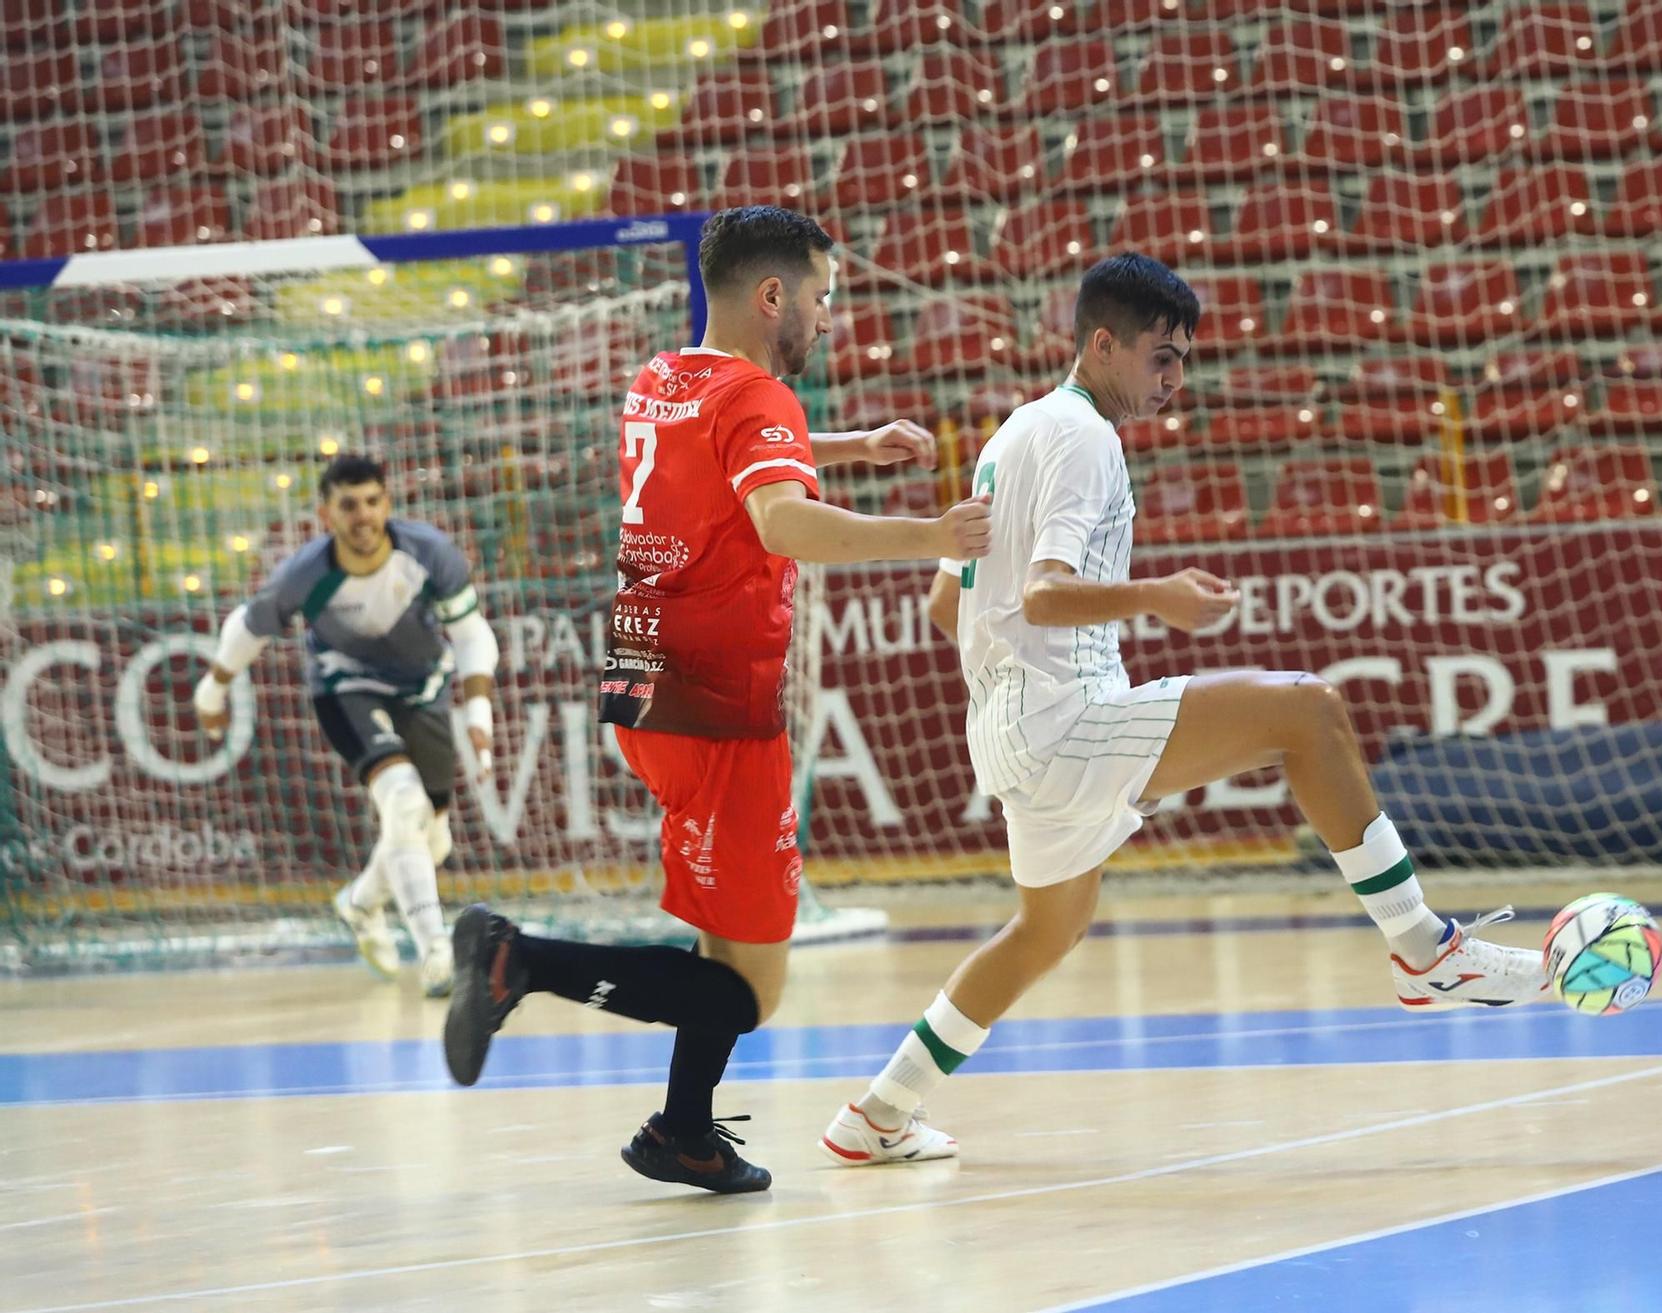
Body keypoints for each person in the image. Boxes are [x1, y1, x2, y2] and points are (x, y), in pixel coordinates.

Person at [819, 253, 1549, 1167]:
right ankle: (1425, 950)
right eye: (1161, 357)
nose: (1175, 379)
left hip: (1011, 731)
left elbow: (945, 605)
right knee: (1309, 712)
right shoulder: (1086, 439)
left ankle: (878, 1112)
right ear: (1101, 344)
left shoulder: (1013, 433)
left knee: (1046, 930)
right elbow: (1044, 596)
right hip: (1062, 719)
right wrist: (1152, 596)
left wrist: (1076, 725)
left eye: (1183, 359)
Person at [441, 205, 993, 1194]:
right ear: (771, 293)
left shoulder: (661, 379)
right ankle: (515, 959)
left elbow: (733, 446)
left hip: (639, 672)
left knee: (717, 929)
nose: (826, 318)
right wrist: (931, 534)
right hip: (718, 702)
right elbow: (780, 522)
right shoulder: (758, 398)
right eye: (820, 296)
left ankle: (683, 1132)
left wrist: (851, 445)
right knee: (747, 986)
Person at [191, 452, 501, 998]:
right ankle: (435, 951)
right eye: (348, 505)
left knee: (430, 839)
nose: (362, 516)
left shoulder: (428, 554)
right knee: (403, 804)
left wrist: (477, 709)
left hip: (424, 688)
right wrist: (212, 688)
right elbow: (248, 626)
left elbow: (473, 633)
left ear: (388, 503)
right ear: (326, 514)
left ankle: (360, 903)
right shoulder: (305, 574)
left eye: (372, 502)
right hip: (345, 689)